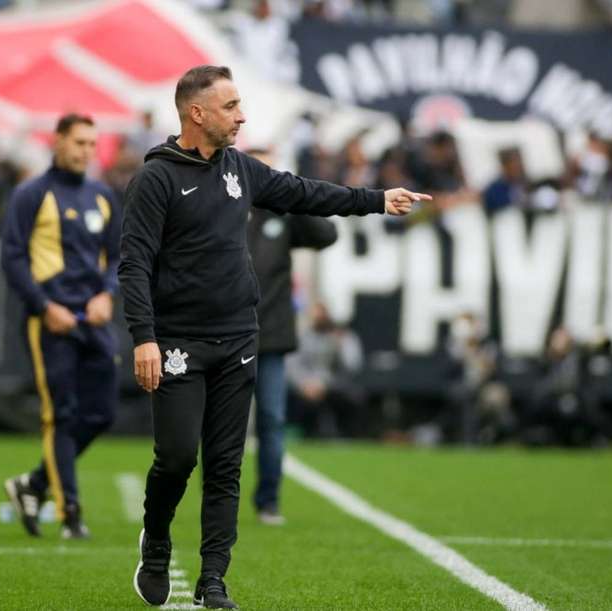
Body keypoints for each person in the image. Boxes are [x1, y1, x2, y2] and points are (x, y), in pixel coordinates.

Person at [118, 64, 427, 609]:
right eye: (231, 106)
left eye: (240, 105)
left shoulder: (242, 169)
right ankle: (158, 539)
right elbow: (134, 264)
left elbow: (305, 193)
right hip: (177, 344)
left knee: (226, 465)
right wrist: (144, 337)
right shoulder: (156, 179)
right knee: (176, 457)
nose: (241, 116)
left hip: (239, 339)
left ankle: (214, 581)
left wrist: (376, 200)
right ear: (197, 113)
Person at [0, 113, 121, 539]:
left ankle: (32, 485)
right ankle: (69, 512)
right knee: (61, 416)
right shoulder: (30, 194)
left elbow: (118, 256)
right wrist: (43, 306)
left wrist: (108, 293)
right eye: (78, 142)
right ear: (57, 142)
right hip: (50, 322)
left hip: (94, 322)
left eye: (92, 143)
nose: (85, 151)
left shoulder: (103, 195)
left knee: (103, 413)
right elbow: (12, 258)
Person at [246, 148, 338, 526]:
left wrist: (293, 196)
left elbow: (325, 233)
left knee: (271, 418)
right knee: (221, 425)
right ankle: (217, 500)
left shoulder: (281, 214)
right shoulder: (226, 209)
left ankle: (268, 500)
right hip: (224, 332)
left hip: (271, 335)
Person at [286, 302, 367, 438]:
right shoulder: (302, 338)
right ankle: (309, 435)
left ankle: (348, 436)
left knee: (355, 399)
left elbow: (353, 366)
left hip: (335, 387)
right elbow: (293, 365)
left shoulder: (344, 337)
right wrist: (304, 384)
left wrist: (341, 346)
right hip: (307, 388)